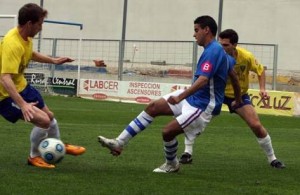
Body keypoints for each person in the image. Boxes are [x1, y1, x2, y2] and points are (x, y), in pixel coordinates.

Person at [98, 16, 241, 173]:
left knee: (167, 132)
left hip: (203, 105)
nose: (194, 35)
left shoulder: (214, 50)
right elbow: (233, 75)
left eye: (196, 30)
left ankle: (172, 164)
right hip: (194, 98)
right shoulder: (216, 51)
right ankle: (120, 142)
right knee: (153, 107)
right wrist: (238, 99)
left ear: (206, 30)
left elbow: (203, 80)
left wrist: (180, 97)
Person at [179, 29, 285, 169]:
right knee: (193, 120)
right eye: (220, 44)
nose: (222, 48)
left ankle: (273, 159)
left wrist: (263, 89)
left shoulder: (246, 56)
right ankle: (187, 152)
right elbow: (202, 76)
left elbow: (260, 70)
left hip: (238, 95)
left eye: (226, 45)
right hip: (215, 94)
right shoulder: (214, 55)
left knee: (255, 125)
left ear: (235, 45)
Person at [0, 3, 86, 169]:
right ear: (29, 24)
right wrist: (23, 104)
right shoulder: (12, 43)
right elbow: (4, 78)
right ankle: (33, 156)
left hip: (22, 86)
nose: (41, 27)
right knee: (43, 121)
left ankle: (58, 144)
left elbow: (31, 54)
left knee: (50, 117)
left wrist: (53, 60)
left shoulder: (26, 38)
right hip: (4, 95)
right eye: (39, 24)